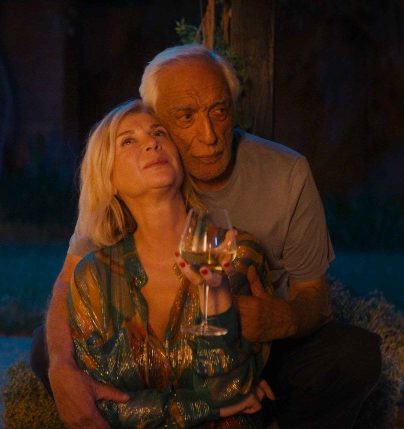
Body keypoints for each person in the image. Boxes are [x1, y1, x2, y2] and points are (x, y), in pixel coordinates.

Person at [31, 44, 382, 428]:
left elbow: (314, 298)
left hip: (259, 345)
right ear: (157, 114)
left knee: (352, 354)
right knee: (46, 350)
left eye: (220, 111)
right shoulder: (140, 179)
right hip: (163, 359)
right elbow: (68, 283)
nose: (210, 135)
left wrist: (279, 320)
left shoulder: (286, 176)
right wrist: (62, 367)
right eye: (185, 117)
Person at [67, 99, 273, 428]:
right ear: (109, 179)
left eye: (159, 133)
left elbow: (229, 389)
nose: (151, 143)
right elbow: (105, 406)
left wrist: (217, 293)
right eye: (128, 141)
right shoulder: (93, 275)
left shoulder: (235, 252)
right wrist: (209, 410)